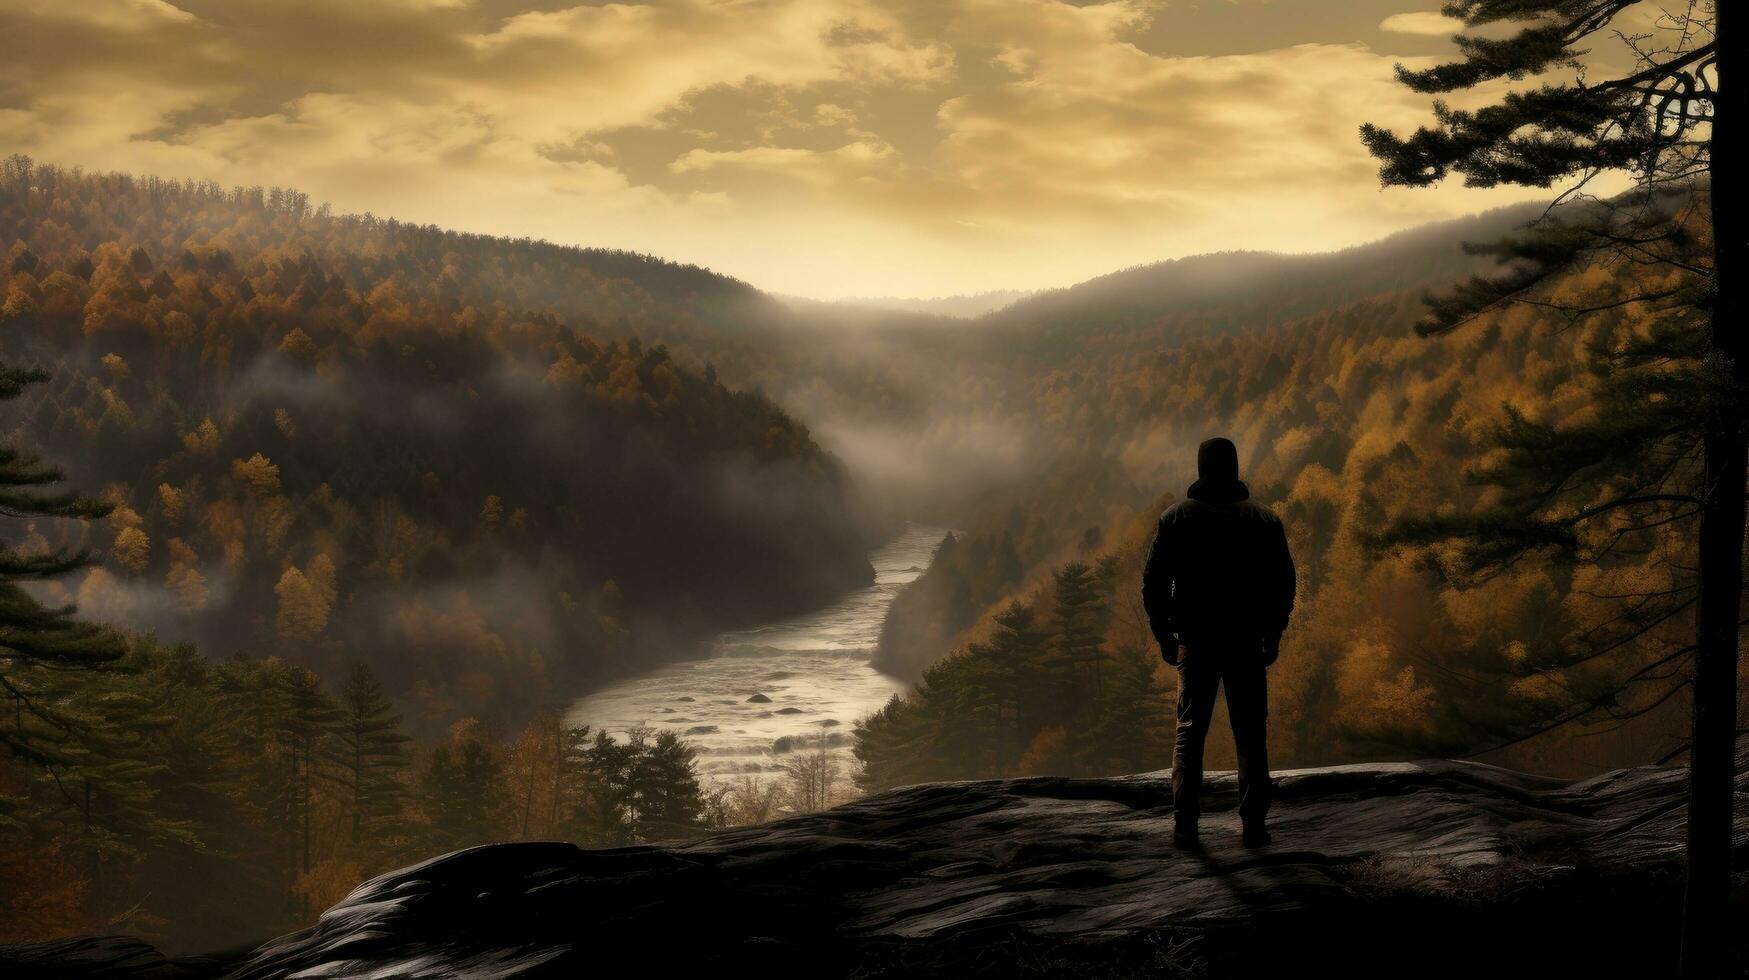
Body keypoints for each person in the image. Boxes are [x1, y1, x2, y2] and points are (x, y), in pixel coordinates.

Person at [1141, 436, 1295, 848]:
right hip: (1246, 642)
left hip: (1196, 640)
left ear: (1199, 469)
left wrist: (1164, 635)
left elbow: (1154, 582)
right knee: (1250, 735)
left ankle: (1185, 828)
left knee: (1189, 734)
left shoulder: (1176, 519)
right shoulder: (1264, 521)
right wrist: (1273, 633)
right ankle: (1254, 827)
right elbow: (1283, 584)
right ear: (1236, 468)